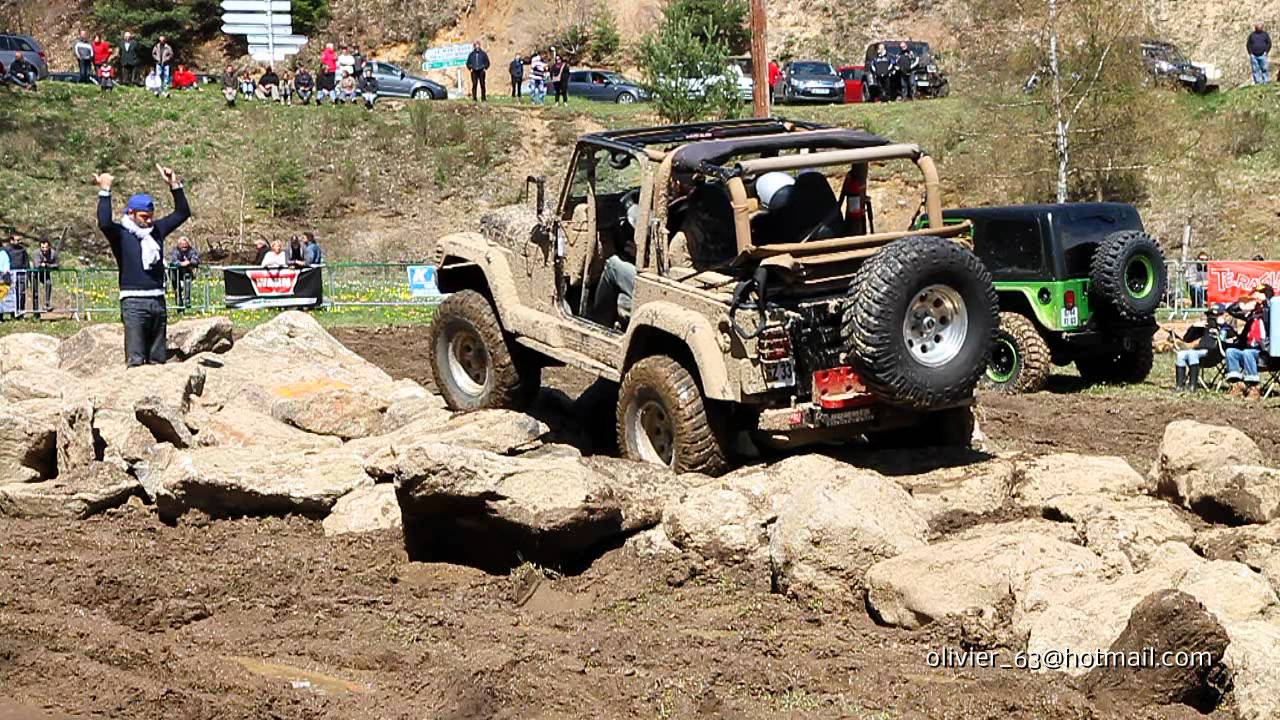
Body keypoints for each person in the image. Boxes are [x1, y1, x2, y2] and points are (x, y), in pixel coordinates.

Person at [94, 164, 191, 367]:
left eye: (150, 216)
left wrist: (173, 183)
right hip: (133, 302)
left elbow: (182, 212)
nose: (148, 221)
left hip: (157, 300)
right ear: (131, 214)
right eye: (143, 217)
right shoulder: (121, 234)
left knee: (157, 359)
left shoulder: (157, 231)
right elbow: (104, 222)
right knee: (136, 359)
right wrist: (105, 191)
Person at [1173, 305, 1236, 392]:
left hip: (1214, 354)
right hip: (1200, 353)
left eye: (1215, 317)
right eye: (1209, 317)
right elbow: (1187, 339)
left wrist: (1221, 327)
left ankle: (1192, 386)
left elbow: (1235, 338)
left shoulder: (1226, 328)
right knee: (1180, 354)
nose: (1211, 319)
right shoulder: (1204, 328)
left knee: (1192, 353)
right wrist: (1194, 327)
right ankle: (1179, 386)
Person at [1224, 285, 1273, 398]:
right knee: (1231, 352)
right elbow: (1231, 310)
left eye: (1258, 293)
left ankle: (1254, 387)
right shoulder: (1253, 313)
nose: (1255, 295)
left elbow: (1270, 307)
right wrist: (1245, 305)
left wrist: (1265, 301)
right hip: (1250, 351)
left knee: (1247, 353)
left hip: (1266, 352)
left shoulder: (1271, 312)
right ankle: (1237, 385)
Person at [168, 236, 200, 311]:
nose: (184, 248)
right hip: (175, 273)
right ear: (179, 245)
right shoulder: (175, 251)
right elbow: (174, 262)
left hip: (186, 272)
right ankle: (179, 306)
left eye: (186, 246)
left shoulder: (191, 250)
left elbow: (196, 261)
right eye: (182, 246)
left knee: (187, 281)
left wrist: (188, 262)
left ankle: (187, 302)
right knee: (177, 289)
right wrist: (183, 264)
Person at [31, 238, 59, 315]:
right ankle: (36, 312)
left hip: (45, 273)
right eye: (42, 247)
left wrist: (47, 265)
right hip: (35, 274)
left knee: (48, 284)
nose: (44, 249)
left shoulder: (53, 253)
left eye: (46, 247)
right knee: (35, 292)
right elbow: (37, 265)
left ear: (49, 247)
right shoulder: (36, 253)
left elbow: (57, 265)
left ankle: (47, 304)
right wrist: (45, 265)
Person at [5, 234, 28, 317]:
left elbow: (26, 262)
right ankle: (11, 312)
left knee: (21, 293)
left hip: (21, 275)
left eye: (19, 240)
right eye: (17, 240)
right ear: (11, 240)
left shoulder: (23, 250)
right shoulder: (6, 250)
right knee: (11, 294)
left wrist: (27, 274)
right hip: (10, 275)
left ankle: (20, 312)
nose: (19, 242)